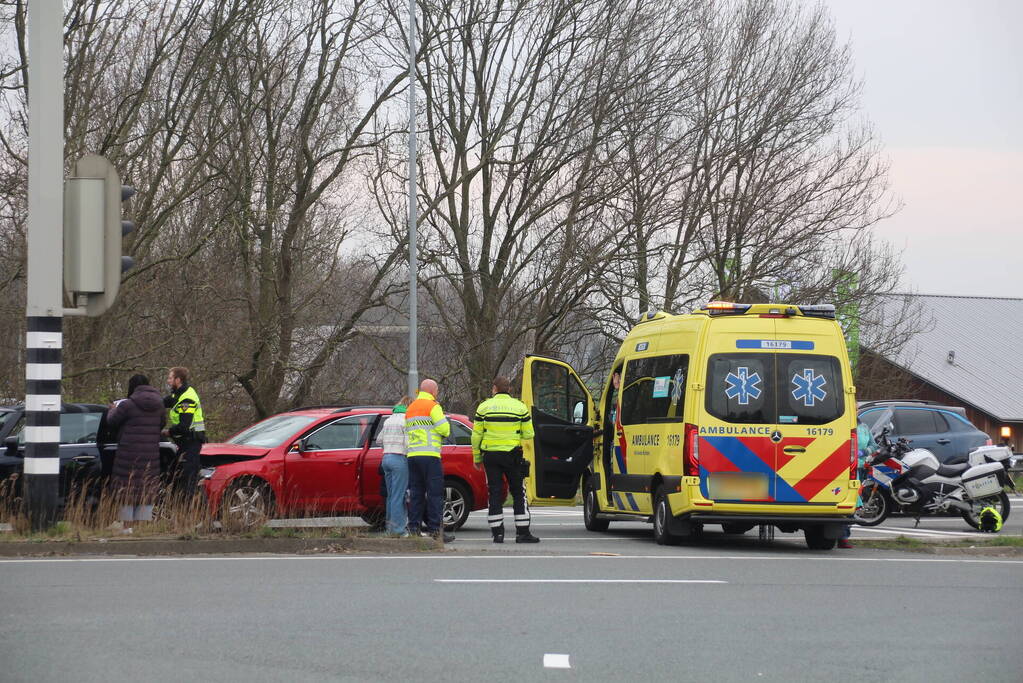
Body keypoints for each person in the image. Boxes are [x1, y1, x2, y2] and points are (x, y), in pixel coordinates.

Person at [471, 376, 539, 543]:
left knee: (494, 492)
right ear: (509, 389)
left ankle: (497, 533)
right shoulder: (520, 407)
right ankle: (522, 533)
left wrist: (477, 456)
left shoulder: (484, 407)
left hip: (490, 455)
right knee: (518, 492)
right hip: (512, 455)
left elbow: (476, 435)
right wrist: (515, 434)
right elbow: (530, 433)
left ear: (494, 389)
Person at [106, 374, 165, 533]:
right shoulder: (159, 404)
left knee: (127, 490)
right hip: (150, 455)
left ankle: (127, 527)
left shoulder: (127, 405)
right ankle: (141, 528)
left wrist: (112, 410)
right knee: (146, 490)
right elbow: (161, 424)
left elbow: (112, 422)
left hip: (128, 454)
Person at [405, 379, 454, 542]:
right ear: (433, 391)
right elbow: (445, 429)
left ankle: (413, 528)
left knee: (416, 494)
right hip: (430, 455)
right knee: (434, 494)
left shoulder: (411, 408)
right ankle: (435, 531)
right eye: (437, 390)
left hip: (412, 456)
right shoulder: (433, 406)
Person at [163, 367, 206, 499]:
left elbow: (184, 426)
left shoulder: (187, 398)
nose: (168, 380)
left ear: (178, 380)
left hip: (191, 442)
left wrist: (168, 432)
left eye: (170, 378)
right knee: (182, 477)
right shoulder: (179, 394)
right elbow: (163, 401)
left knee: (188, 481)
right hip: (185, 443)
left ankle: (192, 514)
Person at [840, 418, 879, 549]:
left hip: (862, 467)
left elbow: (874, 445)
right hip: (849, 468)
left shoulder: (864, 427)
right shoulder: (844, 425)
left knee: (855, 503)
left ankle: (843, 536)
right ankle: (843, 537)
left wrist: (865, 451)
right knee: (851, 501)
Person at [378, 397, 411, 536]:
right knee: (399, 496)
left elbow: (379, 440)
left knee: (391, 496)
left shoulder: (388, 420)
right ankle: (399, 530)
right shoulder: (406, 421)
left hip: (386, 458)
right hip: (399, 459)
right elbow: (409, 444)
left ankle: (389, 528)